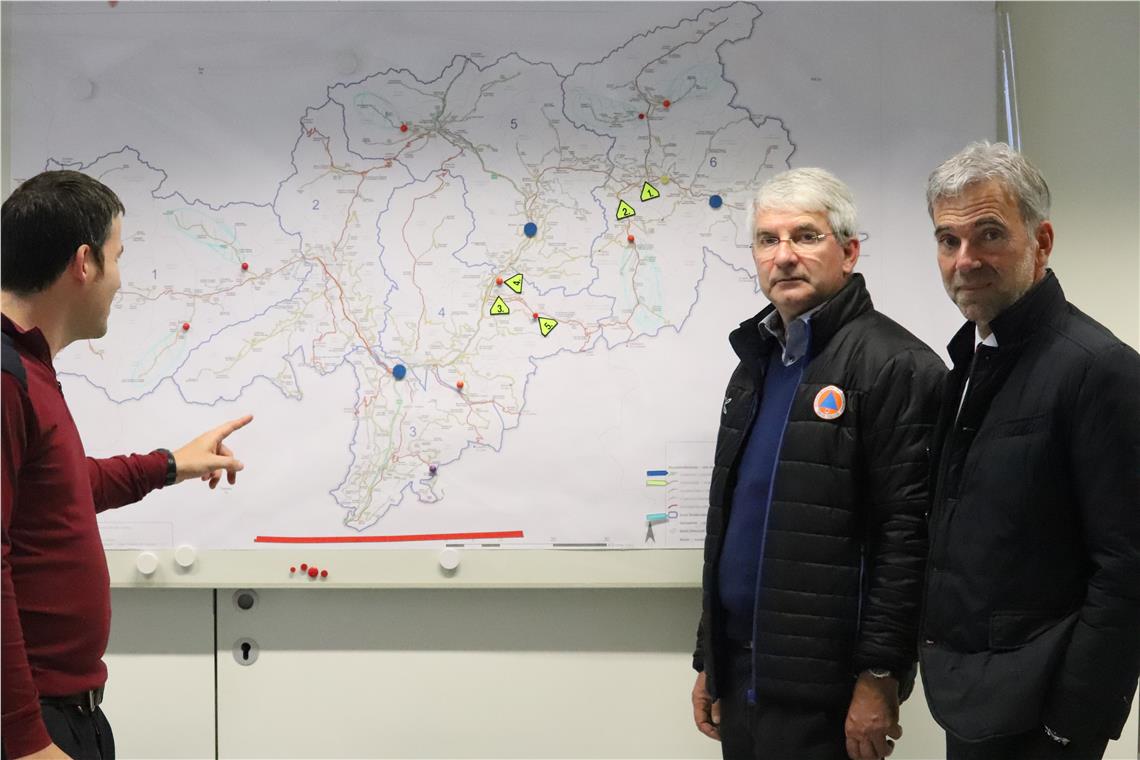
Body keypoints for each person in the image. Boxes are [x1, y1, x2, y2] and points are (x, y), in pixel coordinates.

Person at [690, 167, 945, 760]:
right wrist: (710, 659)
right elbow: (730, 527)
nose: (783, 256)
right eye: (767, 239)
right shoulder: (754, 364)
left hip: (828, 688)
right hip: (743, 671)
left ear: (848, 253)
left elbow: (908, 539)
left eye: (805, 236)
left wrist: (881, 675)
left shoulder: (896, 365)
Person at [1, 170, 253, 760]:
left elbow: (61, 491)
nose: (119, 279)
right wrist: (25, 740)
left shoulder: (28, 368)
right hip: (32, 728)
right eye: (116, 258)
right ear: (83, 263)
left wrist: (169, 464)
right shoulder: (7, 378)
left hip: (68, 715)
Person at [919, 141, 1140, 760]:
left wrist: (1071, 726)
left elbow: (1127, 570)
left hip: (1044, 721)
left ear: (1041, 242)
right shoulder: (969, 365)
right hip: (974, 701)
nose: (965, 260)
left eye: (989, 234)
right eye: (948, 240)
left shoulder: (1099, 370)